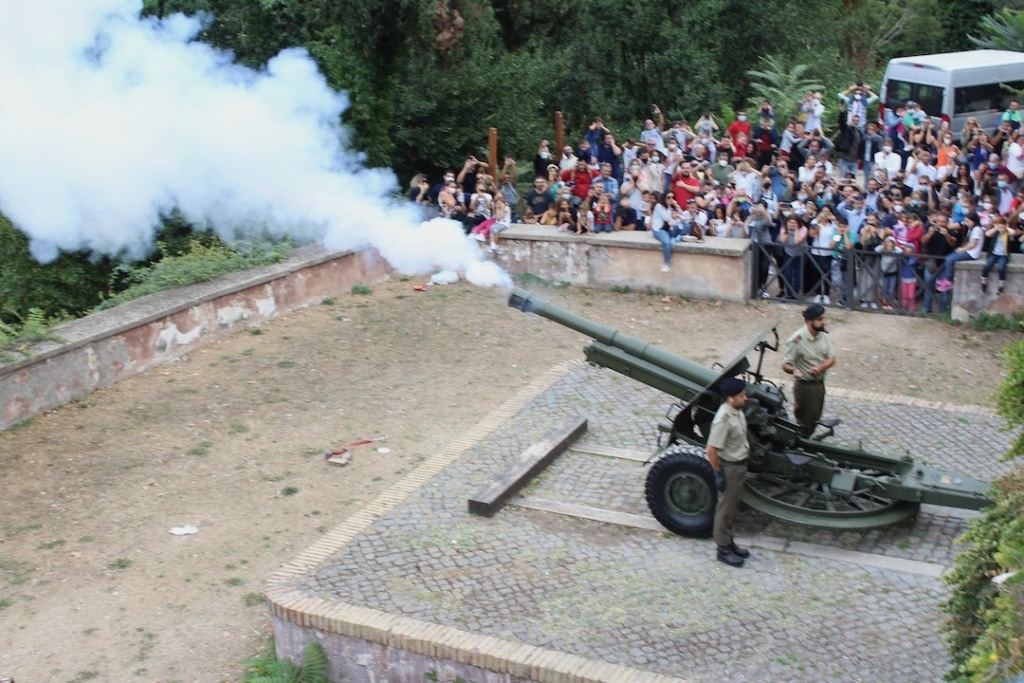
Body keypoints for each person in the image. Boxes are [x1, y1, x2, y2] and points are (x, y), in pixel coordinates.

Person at [706, 376, 751, 568]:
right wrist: (718, 474)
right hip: (729, 468)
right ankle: (722, 549)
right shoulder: (723, 419)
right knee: (724, 510)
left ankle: (729, 542)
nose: (745, 397)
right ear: (731, 398)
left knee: (732, 509)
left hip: (740, 465)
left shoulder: (737, 411)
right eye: (742, 395)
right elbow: (711, 450)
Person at [781, 304, 836, 438]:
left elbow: (832, 358)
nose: (823, 322)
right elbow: (785, 364)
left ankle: (807, 439)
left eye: (823, 318)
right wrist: (794, 370)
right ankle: (801, 444)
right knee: (804, 421)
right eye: (820, 319)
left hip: (819, 385)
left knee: (815, 418)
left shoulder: (823, 335)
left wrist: (820, 368)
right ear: (810, 321)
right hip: (805, 387)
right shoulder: (797, 339)